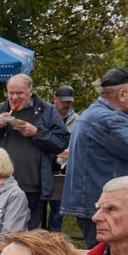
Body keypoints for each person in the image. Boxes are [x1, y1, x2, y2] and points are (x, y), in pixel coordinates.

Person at [62, 67, 128, 249]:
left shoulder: (93, 113)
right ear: (122, 94)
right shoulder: (109, 119)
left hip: (98, 203)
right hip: (106, 207)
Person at [0, 73, 70, 231]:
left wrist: (36, 132)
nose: (15, 97)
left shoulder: (47, 111)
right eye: (11, 93)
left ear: (30, 92)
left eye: (19, 93)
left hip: (32, 185)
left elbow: (62, 141)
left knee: (26, 234)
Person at [48, 85, 77, 233]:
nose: (66, 105)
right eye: (63, 101)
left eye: (69, 102)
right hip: (45, 165)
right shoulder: (45, 115)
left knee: (58, 208)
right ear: (55, 99)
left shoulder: (77, 120)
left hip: (64, 168)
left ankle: (54, 240)